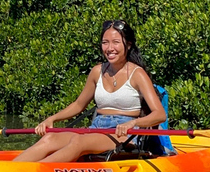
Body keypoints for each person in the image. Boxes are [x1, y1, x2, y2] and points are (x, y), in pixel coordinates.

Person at [10, 19, 167, 163]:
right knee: (50, 138)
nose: (110, 48)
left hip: (124, 135)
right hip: (97, 128)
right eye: (105, 42)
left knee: (78, 142)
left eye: (116, 42)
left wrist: (134, 123)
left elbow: (159, 114)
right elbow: (79, 105)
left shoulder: (137, 74)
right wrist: (52, 118)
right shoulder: (97, 71)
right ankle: (11, 170)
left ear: (128, 45)